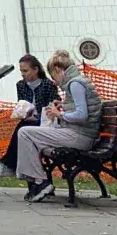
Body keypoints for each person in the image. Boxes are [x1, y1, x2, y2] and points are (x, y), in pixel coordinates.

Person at [15, 50, 105, 202]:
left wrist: (59, 115)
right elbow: (81, 108)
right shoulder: (78, 81)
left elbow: (82, 115)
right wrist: (63, 104)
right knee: (30, 135)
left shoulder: (75, 84)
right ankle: (38, 181)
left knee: (25, 133)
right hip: (81, 134)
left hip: (80, 137)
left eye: (53, 75)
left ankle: (39, 181)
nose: (54, 80)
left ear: (58, 70)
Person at [0, 54, 60, 178]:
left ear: (36, 69)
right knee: (22, 126)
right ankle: (10, 165)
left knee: (22, 128)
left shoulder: (48, 85)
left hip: (45, 123)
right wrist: (21, 113)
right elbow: (22, 105)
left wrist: (38, 117)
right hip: (28, 122)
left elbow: (53, 108)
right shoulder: (21, 85)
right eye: (21, 71)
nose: (23, 74)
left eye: (25, 71)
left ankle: (8, 165)